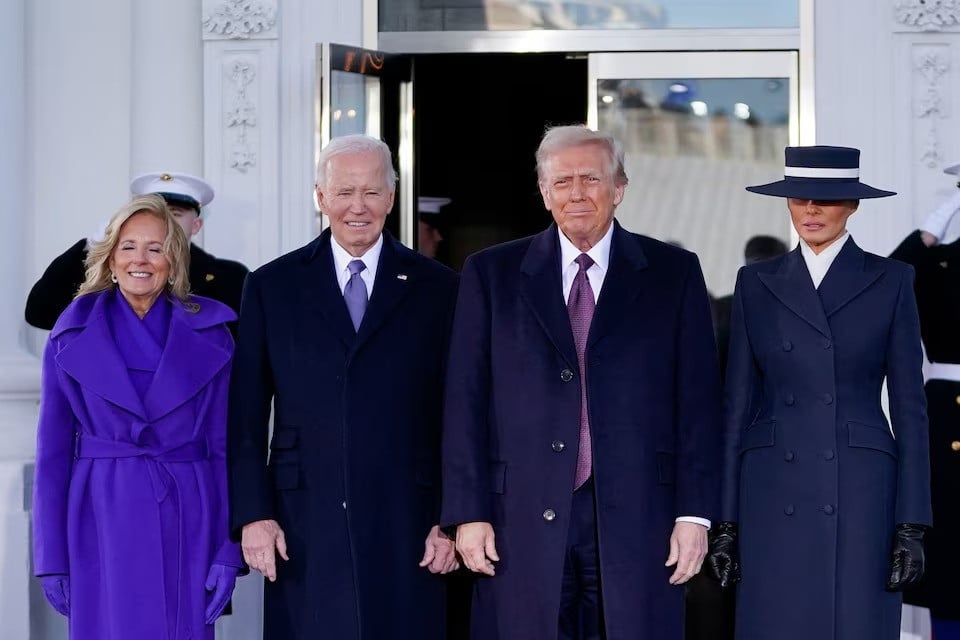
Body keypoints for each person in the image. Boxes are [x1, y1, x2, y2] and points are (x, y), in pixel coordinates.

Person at [441, 125, 722, 639]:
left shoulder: (672, 272)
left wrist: (695, 515)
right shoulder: (490, 274)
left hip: (642, 515)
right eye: (563, 181)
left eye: (591, 179)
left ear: (619, 189)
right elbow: (465, 400)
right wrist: (467, 513)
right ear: (545, 193)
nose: (577, 193)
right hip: (516, 516)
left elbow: (699, 404)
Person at [227, 134, 459, 639]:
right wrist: (254, 514)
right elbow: (243, 416)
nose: (359, 206)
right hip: (302, 513)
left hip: (408, 516)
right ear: (321, 197)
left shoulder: (440, 287)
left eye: (372, 192)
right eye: (345, 192)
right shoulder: (272, 285)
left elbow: (457, 412)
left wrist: (452, 518)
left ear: (392, 198)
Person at [707, 146, 932, 640]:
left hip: (860, 489)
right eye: (799, 198)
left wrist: (912, 523)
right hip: (769, 488)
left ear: (853, 205)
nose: (811, 210)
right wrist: (722, 521)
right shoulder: (755, 282)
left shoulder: (892, 279)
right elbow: (736, 407)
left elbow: (912, 409)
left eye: (826, 200)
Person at [32, 194, 243, 639]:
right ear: (109, 259)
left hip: (188, 511)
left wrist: (229, 548)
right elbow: (51, 455)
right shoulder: (69, 333)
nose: (140, 260)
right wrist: (51, 558)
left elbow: (227, 449)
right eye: (128, 246)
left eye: (156, 247)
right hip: (99, 516)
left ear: (174, 259)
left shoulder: (212, 334)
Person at [25, 172, 248, 332]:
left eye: (175, 214)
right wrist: (92, 248)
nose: (163, 225)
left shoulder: (229, 276)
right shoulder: (118, 268)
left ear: (196, 225)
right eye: (152, 216)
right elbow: (41, 314)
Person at [889, 161, 960, 640]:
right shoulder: (940, 263)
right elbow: (892, 277)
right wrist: (943, 216)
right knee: (952, 551)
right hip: (948, 407)